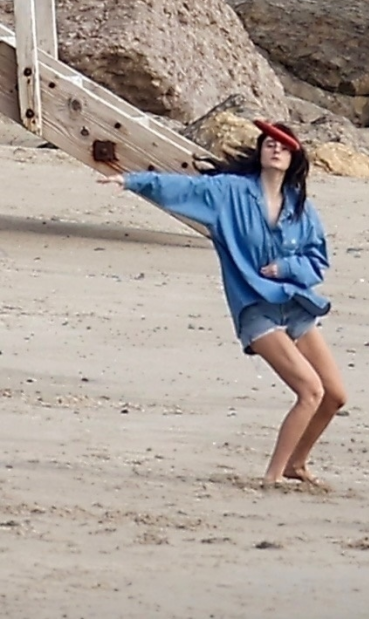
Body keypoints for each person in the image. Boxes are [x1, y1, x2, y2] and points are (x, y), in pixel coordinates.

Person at [98, 120, 349, 488]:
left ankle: (298, 463)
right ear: (261, 152)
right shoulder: (229, 193)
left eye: (282, 145)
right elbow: (182, 188)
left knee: (335, 396)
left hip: (295, 304)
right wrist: (130, 181)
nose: (275, 149)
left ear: (293, 156)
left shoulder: (301, 208)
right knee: (310, 391)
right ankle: (272, 478)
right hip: (254, 307)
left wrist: (285, 267)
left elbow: (317, 263)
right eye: (268, 143)